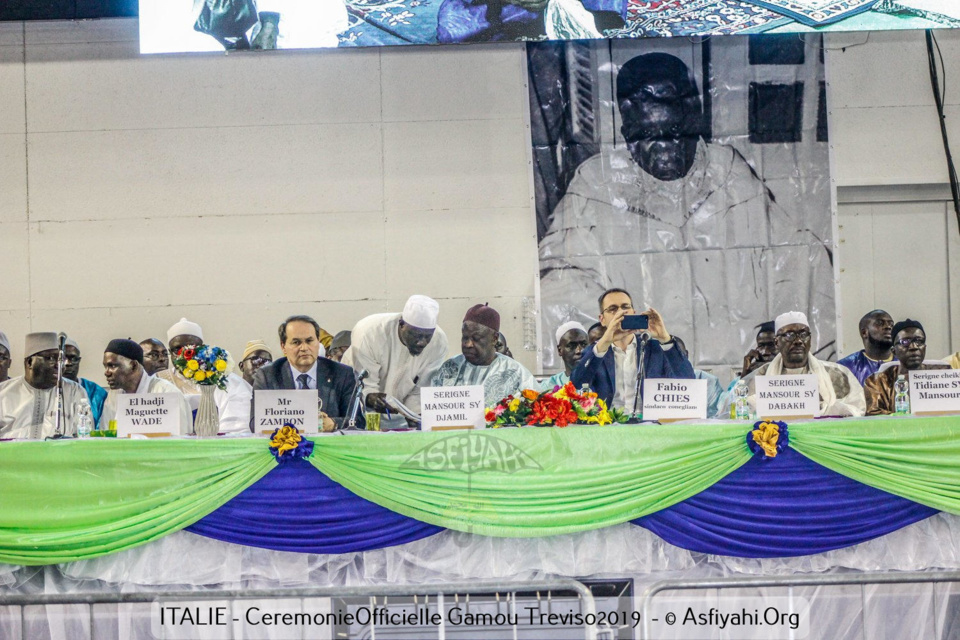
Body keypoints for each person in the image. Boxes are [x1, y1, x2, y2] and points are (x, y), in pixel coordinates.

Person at [538, 52, 835, 373]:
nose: (668, 148)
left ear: (693, 120)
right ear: (628, 130)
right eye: (651, 137)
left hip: (728, 357)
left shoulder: (727, 171)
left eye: (676, 133)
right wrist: (619, 322)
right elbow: (556, 277)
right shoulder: (598, 181)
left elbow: (787, 256)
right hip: (642, 360)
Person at [571, 288, 694, 411]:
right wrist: (604, 342)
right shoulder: (595, 351)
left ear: (633, 312)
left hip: (650, 424)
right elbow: (577, 383)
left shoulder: (656, 348)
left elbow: (688, 382)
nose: (621, 312)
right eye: (613, 309)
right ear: (602, 319)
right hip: (608, 424)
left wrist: (665, 338)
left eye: (625, 307)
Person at [732, 312, 865, 417]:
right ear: (777, 342)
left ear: (810, 339)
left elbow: (857, 410)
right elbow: (737, 411)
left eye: (803, 334)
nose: (798, 341)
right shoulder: (760, 376)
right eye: (789, 335)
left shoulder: (835, 373)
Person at [251, 315, 361, 431]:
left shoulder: (342, 374)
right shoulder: (268, 375)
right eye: (296, 342)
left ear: (318, 343)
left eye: (309, 341)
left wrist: (333, 423)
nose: (304, 348)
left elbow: (358, 420)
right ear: (283, 347)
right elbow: (255, 423)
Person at [342, 295, 448, 414]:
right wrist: (371, 398)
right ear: (401, 324)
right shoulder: (370, 333)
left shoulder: (438, 342)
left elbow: (420, 391)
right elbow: (365, 385)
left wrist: (414, 416)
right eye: (416, 335)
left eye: (428, 336)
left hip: (398, 415)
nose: (422, 342)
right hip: (358, 410)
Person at [157, 318, 252, 433]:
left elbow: (237, 422)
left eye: (192, 348)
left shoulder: (226, 380)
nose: (184, 354)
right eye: (177, 349)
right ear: (170, 352)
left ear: (203, 348)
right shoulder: (158, 381)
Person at [432, 304, 538, 407]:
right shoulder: (449, 368)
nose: (468, 344)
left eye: (476, 338)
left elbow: (536, 411)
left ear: (494, 339)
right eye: (465, 337)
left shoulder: (516, 373)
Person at [0, 332, 89, 439]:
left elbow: (85, 438)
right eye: (51, 358)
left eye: (61, 359)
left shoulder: (75, 391)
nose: (58, 365)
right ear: (29, 362)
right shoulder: (3, 393)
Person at [99, 339, 192, 433]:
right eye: (105, 366)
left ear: (134, 366)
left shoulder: (167, 393)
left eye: (113, 366)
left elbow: (181, 438)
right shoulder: (114, 395)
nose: (106, 372)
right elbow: (106, 434)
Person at [864, 320, 950, 416]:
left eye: (919, 341)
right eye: (905, 342)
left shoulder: (944, 374)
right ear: (894, 351)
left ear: (925, 347)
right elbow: (874, 416)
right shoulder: (877, 382)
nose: (913, 347)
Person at [837, 310, 895, 385]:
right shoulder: (845, 367)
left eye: (891, 324)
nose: (888, 327)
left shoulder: (903, 364)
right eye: (880, 323)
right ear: (864, 333)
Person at [672, 336, 723, 419]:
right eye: (669, 357)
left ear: (686, 355)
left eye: (679, 356)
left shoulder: (709, 381)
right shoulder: (649, 381)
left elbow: (714, 417)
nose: (674, 362)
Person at [63, 338, 108, 429]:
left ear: (79, 360)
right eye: (63, 358)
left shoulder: (96, 392)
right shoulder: (49, 392)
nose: (68, 363)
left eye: (73, 358)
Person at [540, 321, 588, 391]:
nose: (579, 351)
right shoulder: (549, 386)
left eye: (583, 344)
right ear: (560, 350)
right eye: (572, 346)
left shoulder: (601, 382)